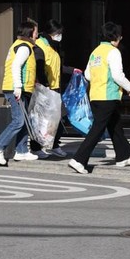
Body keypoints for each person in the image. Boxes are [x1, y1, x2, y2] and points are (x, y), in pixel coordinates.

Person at [68, 22, 130, 174]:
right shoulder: (113, 52)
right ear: (116, 37)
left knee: (115, 125)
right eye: (120, 36)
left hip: (95, 95)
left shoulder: (95, 52)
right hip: (109, 96)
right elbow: (118, 75)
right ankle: (79, 159)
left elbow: (88, 75)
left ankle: (124, 156)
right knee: (97, 129)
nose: (120, 39)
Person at [0, 20, 39, 166]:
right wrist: (18, 87)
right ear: (29, 33)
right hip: (16, 89)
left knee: (24, 120)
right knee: (19, 120)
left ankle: (22, 151)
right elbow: (16, 66)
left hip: (20, 88)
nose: (37, 35)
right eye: (35, 32)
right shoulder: (24, 47)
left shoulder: (21, 45)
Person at [34, 19, 81, 158]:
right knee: (42, 120)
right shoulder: (40, 46)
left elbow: (57, 68)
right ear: (50, 33)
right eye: (57, 33)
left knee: (59, 117)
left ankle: (54, 145)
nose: (59, 36)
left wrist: (72, 70)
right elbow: (39, 69)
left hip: (55, 88)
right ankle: (36, 147)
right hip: (44, 89)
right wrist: (45, 85)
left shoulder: (53, 46)